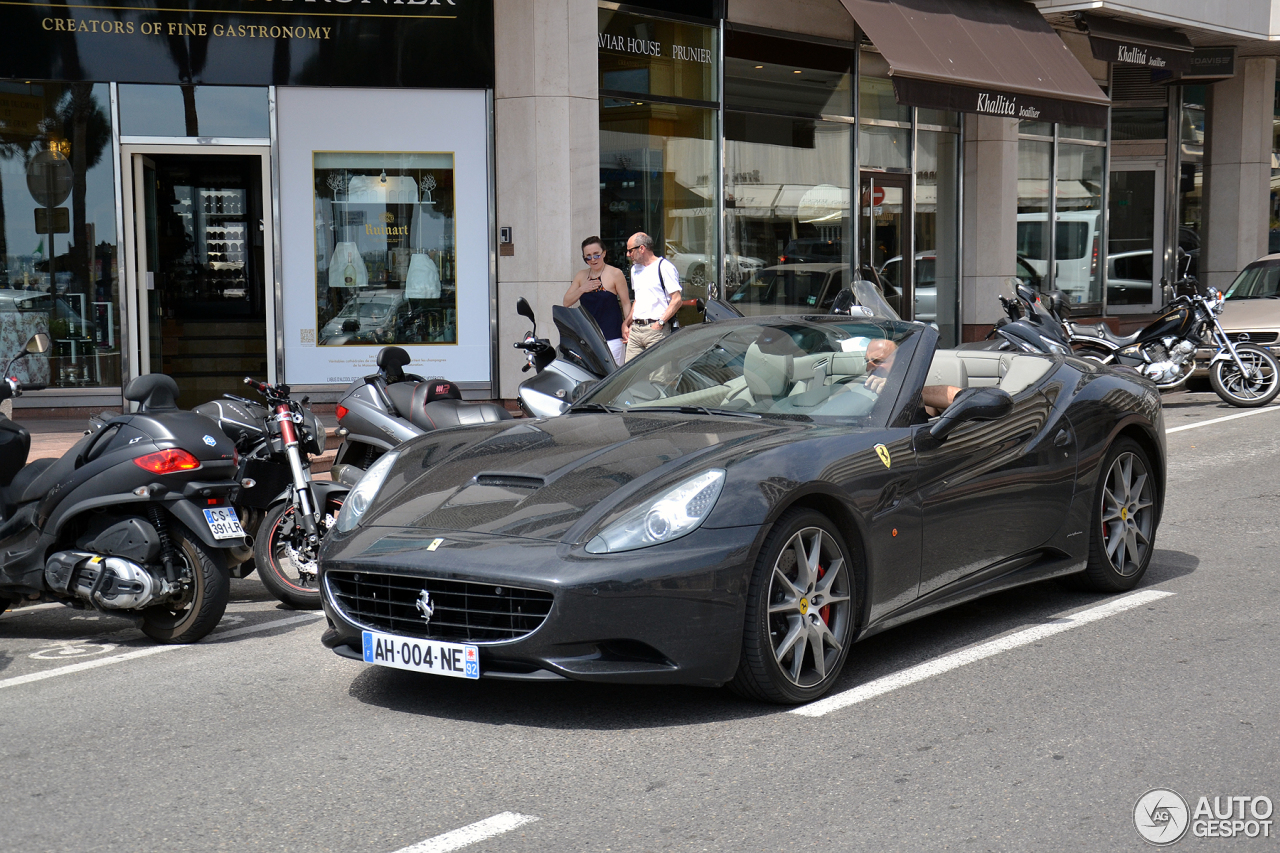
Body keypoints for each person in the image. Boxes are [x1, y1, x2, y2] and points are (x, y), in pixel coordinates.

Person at [563, 236, 630, 365]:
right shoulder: (581, 275)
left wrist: (627, 326)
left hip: (612, 336)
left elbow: (626, 302)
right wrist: (582, 289)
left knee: (612, 376)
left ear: (604, 253)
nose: (593, 259)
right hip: (589, 338)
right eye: (588, 256)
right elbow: (566, 302)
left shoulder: (615, 273)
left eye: (596, 255)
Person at [622, 232, 681, 363]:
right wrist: (627, 322)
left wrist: (660, 323)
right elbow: (638, 299)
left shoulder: (664, 267)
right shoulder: (634, 269)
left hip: (656, 330)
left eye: (630, 251)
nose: (628, 254)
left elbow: (676, 300)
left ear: (641, 248)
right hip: (636, 330)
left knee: (658, 376)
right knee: (629, 375)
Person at [862, 338, 960, 416]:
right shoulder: (856, 388)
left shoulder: (917, 398)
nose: (869, 367)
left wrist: (901, 390)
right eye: (867, 361)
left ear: (900, 363)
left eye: (878, 361)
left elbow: (961, 397)